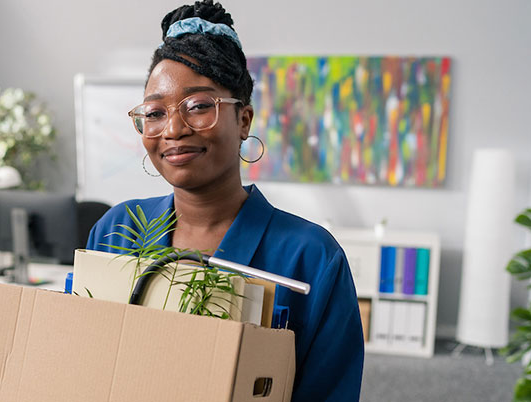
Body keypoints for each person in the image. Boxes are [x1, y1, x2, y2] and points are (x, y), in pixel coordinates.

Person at [85, 1, 364, 400]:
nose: (174, 129)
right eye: (155, 113)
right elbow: (82, 357)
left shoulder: (312, 257)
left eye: (199, 106)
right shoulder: (117, 229)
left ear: (244, 120)